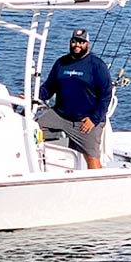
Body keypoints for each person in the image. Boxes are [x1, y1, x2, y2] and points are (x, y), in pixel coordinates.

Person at [37, 28, 112, 169]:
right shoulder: (61, 63)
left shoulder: (97, 65)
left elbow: (106, 95)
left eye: (81, 42)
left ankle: (98, 185)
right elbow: (48, 87)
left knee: (92, 159)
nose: (77, 45)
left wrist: (94, 119)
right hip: (60, 115)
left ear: (87, 44)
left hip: (85, 121)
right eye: (74, 41)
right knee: (31, 130)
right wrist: (32, 96)